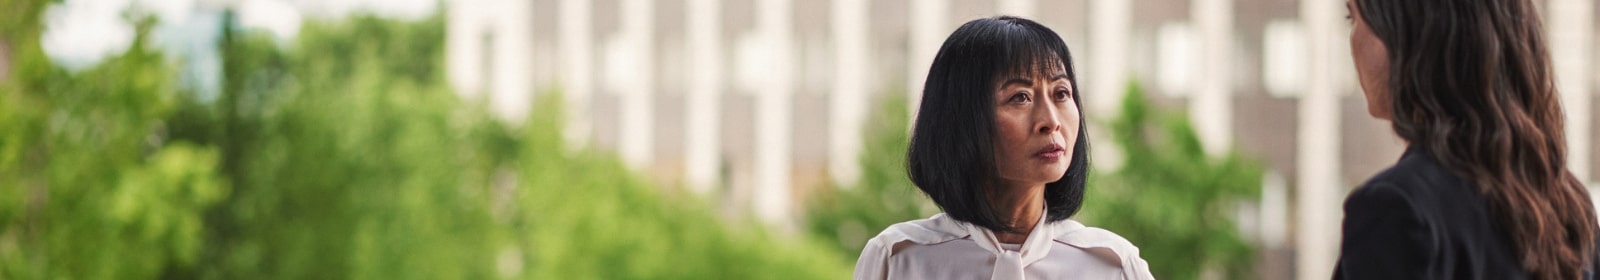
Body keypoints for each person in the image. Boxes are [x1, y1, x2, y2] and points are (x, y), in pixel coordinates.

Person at [852, 16, 1153, 280]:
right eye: (1020, 97)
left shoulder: (1112, 265)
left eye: (1061, 93)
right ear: (961, 119)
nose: (1051, 121)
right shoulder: (896, 259)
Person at [1335, 0, 1600, 278]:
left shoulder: (1396, 208)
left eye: (1354, 18)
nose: (1352, 42)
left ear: (1407, 33)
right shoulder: (1568, 206)